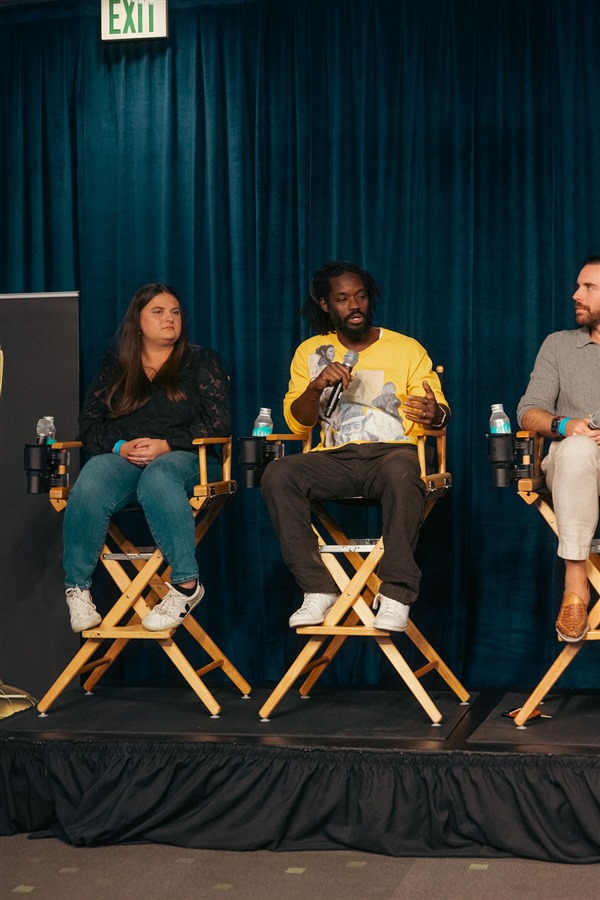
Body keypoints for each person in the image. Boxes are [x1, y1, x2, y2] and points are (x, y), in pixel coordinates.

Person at [261, 260, 450, 632]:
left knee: (403, 470)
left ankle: (396, 594)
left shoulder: (407, 349)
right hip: (335, 459)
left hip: (393, 454)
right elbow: (299, 423)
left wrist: (436, 413)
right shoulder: (311, 351)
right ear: (326, 304)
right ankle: (317, 588)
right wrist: (315, 387)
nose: (354, 306)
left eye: (360, 296)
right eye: (343, 299)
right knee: (278, 473)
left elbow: (440, 413)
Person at [63, 283, 231, 633]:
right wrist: (119, 447)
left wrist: (167, 445)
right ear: (137, 322)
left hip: (190, 459)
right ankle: (77, 590)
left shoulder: (200, 360)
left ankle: (186, 585)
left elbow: (219, 423)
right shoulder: (117, 366)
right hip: (127, 460)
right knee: (92, 476)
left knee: (160, 475)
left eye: (175, 312)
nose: (170, 318)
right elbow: (89, 427)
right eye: (158, 312)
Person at [517, 255, 600, 642]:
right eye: (578, 285)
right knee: (577, 449)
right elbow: (528, 412)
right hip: (575, 465)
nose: (575, 295)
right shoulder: (559, 345)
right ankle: (575, 585)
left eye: (589, 287)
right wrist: (566, 425)